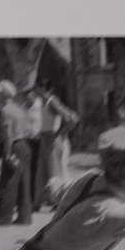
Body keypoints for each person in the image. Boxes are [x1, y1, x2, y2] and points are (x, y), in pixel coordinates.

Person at [0, 80, 33, 225]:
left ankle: (2, 218)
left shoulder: (5, 111)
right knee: (23, 183)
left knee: (8, 183)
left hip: (13, 146)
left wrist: (6, 153)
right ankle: (25, 216)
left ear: (3, 94)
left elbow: (7, 135)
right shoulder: (19, 109)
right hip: (24, 145)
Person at [34, 80, 79, 210]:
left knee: (55, 173)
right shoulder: (44, 102)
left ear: (43, 88)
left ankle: (59, 202)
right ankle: (38, 201)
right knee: (41, 172)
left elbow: (72, 118)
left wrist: (60, 133)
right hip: (45, 138)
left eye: (36, 88)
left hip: (52, 139)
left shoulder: (52, 102)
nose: (35, 91)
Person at [23, 84, 45, 210]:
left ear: (34, 97)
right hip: (28, 140)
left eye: (29, 98)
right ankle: (31, 198)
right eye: (26, 99)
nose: (27, 101)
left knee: (40, 170)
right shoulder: (24, 107)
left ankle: (41, 198)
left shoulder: (40, 105)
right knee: (30, 170)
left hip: (40, 140)